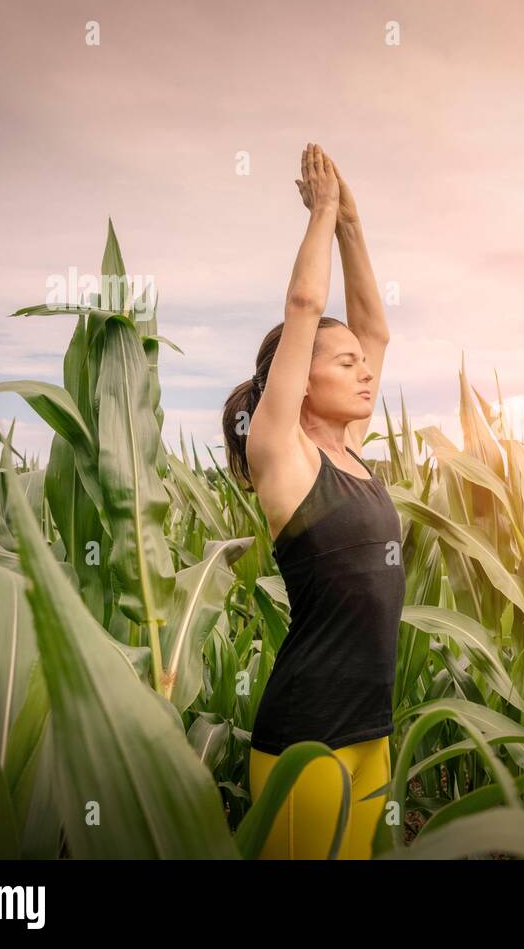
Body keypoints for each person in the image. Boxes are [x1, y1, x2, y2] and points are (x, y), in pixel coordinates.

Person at [222, 143, 402, 859]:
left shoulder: (349, 446)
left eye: (364, 365)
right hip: (307, 737)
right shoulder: (283, 453)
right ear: (298, 381)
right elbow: (305, 304)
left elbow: (376, 327)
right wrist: (322, 213)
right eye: (345, 362)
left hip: (371, 732)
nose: (366, 371)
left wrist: (354, 223)